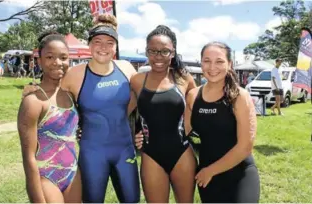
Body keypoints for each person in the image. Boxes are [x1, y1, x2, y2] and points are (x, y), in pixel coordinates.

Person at [59, 14, 140, 203]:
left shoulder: (126, 69)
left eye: (110, 42)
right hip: (92, 153)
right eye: (97, 41)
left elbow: (145, 95)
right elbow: (54, 99)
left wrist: (138, 129)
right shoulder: (75, 74)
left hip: (124, 150)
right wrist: (33, 90)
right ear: (89, 44)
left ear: (116, 47)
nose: (103, 47)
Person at [184, 42, 260, 202]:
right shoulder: (193, 95)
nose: (212, 67)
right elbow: (184, 133)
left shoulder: (239, 96)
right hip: (207, 178)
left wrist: (210, 170)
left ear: (229, 64)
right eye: (207, 61)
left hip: (239, 174)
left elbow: (245, 146)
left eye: (219, 61)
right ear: (201, 62)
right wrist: (146, 135)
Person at [131, 25, 197, 203]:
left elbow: (200, 110)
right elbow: (120, 113)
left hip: (182, 154)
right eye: (153, 51)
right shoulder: (137, 81)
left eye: (164, 51)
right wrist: (135, 132)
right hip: (151, 155)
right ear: (146, 51)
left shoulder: (184, 79)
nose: (158, 57)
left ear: (173, 53)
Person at [17, 31, 81, 203]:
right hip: (46, 176)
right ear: (39, 60)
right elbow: (28, 157)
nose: (57, 62)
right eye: (50, 57)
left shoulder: (72, 96)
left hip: (73, 175)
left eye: (63, 57)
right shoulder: (33, 102)